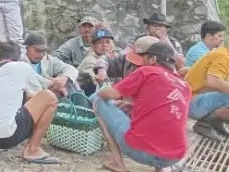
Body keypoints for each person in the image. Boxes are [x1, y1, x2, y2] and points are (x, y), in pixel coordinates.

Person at [92, 42, 191, 172]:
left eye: (143, 57)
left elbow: (110, 94)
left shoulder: (147, 71)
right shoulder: (185, 86)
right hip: (175, 156)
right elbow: (166, 112)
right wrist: (134, 106)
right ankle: (160, 169)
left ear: (152, 59)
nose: (140, 62)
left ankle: (117, 163)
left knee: (98, 100)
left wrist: (99, 90)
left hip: (142, 151)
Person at [0, 41, 61, 165]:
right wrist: (60, 80)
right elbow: (44, 88)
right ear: (18, 58)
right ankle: (32, 149)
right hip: (6, 138)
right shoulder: (22, 67)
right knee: (49, 97)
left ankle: (3, 129)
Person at [185, 47, 229, 141]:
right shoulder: (223, 57)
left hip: (192, 99)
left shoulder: (223, 53)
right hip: (190, 102)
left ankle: (215, 122)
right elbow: (212, 82)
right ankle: (204, 124)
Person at [23, 32, 79, 98]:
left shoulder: (48, 59)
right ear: (26, 48)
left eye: (43, 51)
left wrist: (64, 78)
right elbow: (33, 79)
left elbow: (71, 69)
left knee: (70, 81)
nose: (41, 55)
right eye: (37, 51)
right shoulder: (20, 62)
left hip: (49, 98)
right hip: (28, 101)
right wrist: (54, 84)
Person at [95, 36, 159, 80]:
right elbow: (105, 59)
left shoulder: (161, 75)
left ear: (152, 59)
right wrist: (101, 70)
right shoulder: (126, 61)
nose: (135, 65)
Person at [77, 28, 115, 95]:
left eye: (107, 42)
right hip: (85, 96)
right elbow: (97, 80)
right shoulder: (90, 59)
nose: (104, 45)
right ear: (93, 46)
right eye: (100, 42)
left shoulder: (113, 56)